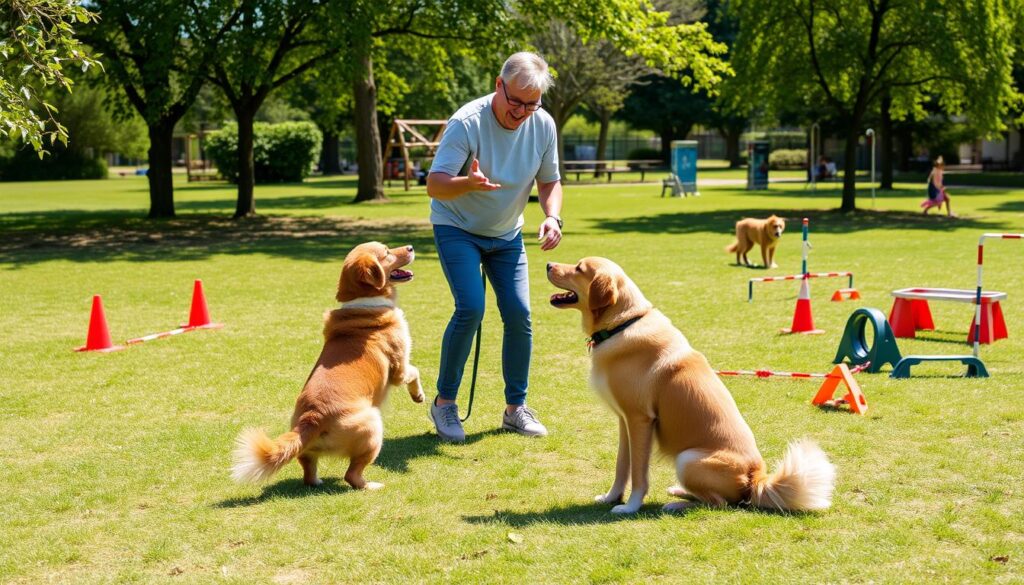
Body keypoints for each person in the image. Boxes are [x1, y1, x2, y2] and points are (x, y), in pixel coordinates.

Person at [425, 52, 563, 442]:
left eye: (531, 104)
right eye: (515, 101)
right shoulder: (467, 122)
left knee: (519, 313)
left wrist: (552, 217)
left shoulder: (543, 124)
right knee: (471, 307)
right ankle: (444, 405)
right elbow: (435, 184)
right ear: (498, 85)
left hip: (507, 234)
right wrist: (467, 183)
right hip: (458, 227)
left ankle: (515, 409)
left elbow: (550, 181)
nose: (521, 112)